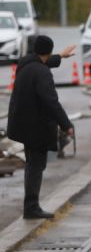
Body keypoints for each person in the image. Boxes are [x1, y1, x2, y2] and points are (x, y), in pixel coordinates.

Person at [6, 36, 77, 220]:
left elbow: (42, 62)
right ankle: (31, 207)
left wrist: (61, 56)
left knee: (32, 163)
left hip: (23, 124)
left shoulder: (25, 64)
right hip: (36, 126)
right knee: (36, 165)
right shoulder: (43, 73)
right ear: (48, 51)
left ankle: (31, 205)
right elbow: (51, 102)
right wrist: (66, 125)